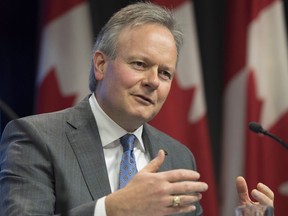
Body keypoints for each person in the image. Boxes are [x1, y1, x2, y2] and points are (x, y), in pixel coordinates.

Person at [0, 2, 274, 216]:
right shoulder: (36, 137)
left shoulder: (178, 156)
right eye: (140, 64)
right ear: (101, 65)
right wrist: (113, 209)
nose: (153, 81)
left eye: (165, 73)